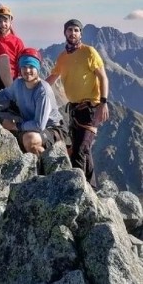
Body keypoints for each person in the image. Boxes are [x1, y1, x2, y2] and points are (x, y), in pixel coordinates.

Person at [45, 19, 109, 187]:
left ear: (81, 33)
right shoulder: (62, 57)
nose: (72, 33)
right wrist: (35, 88)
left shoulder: (89, 52)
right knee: (83, 149)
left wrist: (103, 103)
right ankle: (92, 187)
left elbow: (103, 77)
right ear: (65, 33)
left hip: (91, 109)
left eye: (76, 30)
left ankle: (78, 190)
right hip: (74, 110)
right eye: (69, 30)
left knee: (79, 151)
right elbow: (52, 78)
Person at [0, 48, 67, 156]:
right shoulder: (19, 83)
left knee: (30, 139)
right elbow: (5, 93)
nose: (27, 70)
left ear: (38, 68)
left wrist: (15, 126)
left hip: (52, 127)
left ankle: (46, 167)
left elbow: (39, 125)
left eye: (31, 66)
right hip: (28, 122)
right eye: (24, 66)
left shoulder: (43, 91)